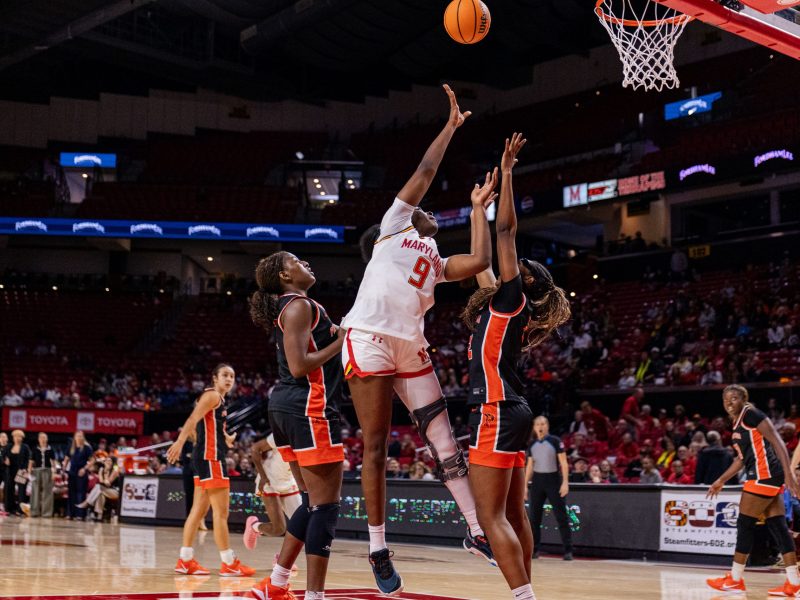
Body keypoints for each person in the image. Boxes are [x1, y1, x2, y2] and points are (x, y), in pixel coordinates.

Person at [340, 84, 498, 593]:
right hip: (368, 338)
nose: (427, 207)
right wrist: (449, 128)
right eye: (422, 207)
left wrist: (478, 210)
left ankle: (476, 531)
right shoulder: (393, 226)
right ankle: (377, 548)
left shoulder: (437, 260)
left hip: (410, 346)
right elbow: (426, 171)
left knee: (445, 442)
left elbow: (480, 261)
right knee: (376, 446)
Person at [464, 133, 571, 600]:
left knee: (490, 519)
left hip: (494, 407)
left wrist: (507, 173)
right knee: (513, 515)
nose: (513, 264)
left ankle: (523, 596)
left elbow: (505, 233)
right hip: (513, 409)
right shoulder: (506, 303)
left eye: (519, 267)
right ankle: (526, 591)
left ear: (524, 281)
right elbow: (480, 265)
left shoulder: (513, 298)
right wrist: (476, 211)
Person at [247, 251, 346, 600]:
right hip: (308, 406)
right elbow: (300, 365)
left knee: (310, 502)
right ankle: (314, 595)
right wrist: (342, 340)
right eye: (298, 262)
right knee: (326, 506)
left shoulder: (291, 307)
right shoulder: (300, 305)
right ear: (285, 276)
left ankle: (276, 584)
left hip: (288, 408)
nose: (307, 263)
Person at [707, 385, 800, 596]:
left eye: (734, 398)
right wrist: (721, 480)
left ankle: (734, 579)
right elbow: (742, 459)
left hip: (764, 475)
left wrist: (789, 473)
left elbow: (777, 441)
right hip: (765, 475)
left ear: (743, 399)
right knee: (778, 526)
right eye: (725, 399)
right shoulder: (737, 423)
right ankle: (794, 583)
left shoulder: (751, 414)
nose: (729, 402)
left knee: (744, 524)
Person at [166, 364, 255, 578]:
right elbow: (192, 420)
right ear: (215, 378)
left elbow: (210, 426)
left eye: (232, 376)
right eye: (225, 375)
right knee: (221, 513)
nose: (229, 379)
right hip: (211, 458)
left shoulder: (218, 400)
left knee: (198, 511)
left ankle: (185, 560)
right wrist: (179, 442)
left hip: (203, 458)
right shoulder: (213, 395)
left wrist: (226, 437)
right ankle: (229, 563)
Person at [525, 416, 573, 562]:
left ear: (547, 426)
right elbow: (530, 466)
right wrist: (524, 486)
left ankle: (568, 550)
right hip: (537, 481)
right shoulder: (532, 444)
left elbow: (564, 463)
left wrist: (565, 482)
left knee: (561, 516)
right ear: (534, 427)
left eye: (543, 424)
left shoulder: (555, 441)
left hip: (553, 480)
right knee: (534, 518)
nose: (541, 426)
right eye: (538, 424)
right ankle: (534, 549)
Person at [243, 432, 302, 546]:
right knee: (278, 529)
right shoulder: (283, 433)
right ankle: (254, 526)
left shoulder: (310, 439)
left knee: (303, 525)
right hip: (269, 481)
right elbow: (255, 449)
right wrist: (262, 476)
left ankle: (283, 557)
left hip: (288, 482)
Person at [77, 455, 120, 520]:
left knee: (98, 487)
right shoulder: (102, 470)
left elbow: (108, 483)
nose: (108, 462)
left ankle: (87, 502)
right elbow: (101, 481)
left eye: (110, 461)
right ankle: (99, 516)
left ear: (113, 462)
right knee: (100, 493)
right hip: (104, 490)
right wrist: (101, 471)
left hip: (115, 492)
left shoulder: (115, 471)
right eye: (106, 460)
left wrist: (106, 473)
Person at [65, 431, 92, 520]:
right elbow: (66, 458)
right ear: (75, 437)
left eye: (81, 436)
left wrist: (84, 469)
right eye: (77, 436)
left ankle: (80, 514)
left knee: (80, 494)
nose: (79, 438)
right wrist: (63, 469)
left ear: (83, 437)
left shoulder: (87, 448)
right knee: (71, 493)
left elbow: (92, 460)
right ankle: (70, 513)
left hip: (81, 473)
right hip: (72, 472)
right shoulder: (71, 447)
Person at [29, 432, 56, 518]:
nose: (43, 440)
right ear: (39, 439)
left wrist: (54, 473)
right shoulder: (35, 449)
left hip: (47, 471)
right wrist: (29, 472)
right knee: (35, 491)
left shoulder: (50, 449)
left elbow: (53, 462)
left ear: (47, 439)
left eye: (44, 438)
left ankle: (46, 513)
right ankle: (34, 512)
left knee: (47, 492)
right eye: (41, 438)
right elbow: (31, 461)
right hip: (36, 471)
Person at [5, 429, 31, 516]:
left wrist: (26, 469)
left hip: (21, 470)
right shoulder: (9, 446)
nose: (17, 438)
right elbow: (2, 454)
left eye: (19, 436)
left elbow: (29, 458)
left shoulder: (25, 447)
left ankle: (20, 510)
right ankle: (9, 509)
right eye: (15, 436)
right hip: (10, 470)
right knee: (9, 489)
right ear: (13, 438)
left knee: (21, 491)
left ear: (22, 438)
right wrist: (5, 460)